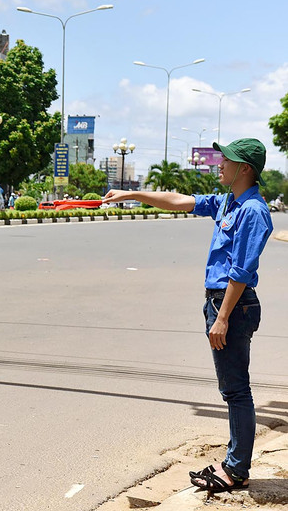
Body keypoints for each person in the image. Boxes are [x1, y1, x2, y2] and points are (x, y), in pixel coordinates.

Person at [102, 138, 272, 493]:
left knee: (236, 391)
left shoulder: (253, 211)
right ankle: (234, 464)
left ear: (245, 169)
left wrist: (222, 317)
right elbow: (181, 201)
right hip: (222, 303)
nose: (219, 164)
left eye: (226, 160)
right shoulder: (230, 202)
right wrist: (131, 194)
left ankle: (236, 470)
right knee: (232, 389)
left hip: (232, 306)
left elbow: (241, 271)